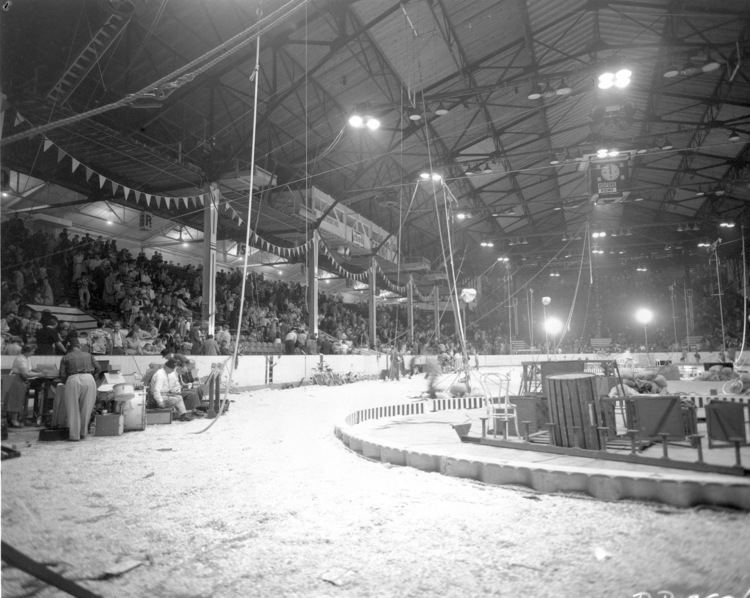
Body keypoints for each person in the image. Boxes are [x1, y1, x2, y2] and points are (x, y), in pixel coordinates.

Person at [58, 337, 101, 441]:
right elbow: (98, 368)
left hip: (72, 379)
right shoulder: (88, 355)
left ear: (69, 347)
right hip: (88, 378)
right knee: (87, 407)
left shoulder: (66, 357)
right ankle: (83, 433)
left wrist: (65, 382)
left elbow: (62, 374)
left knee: (73, 408)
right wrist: (93, 378)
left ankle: (74, 436)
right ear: (79, 346)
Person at [3, 345, 42, 427]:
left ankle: (21, 418)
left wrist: (38, 371)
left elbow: (30, 370)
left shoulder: (27, 358)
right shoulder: (20, 359)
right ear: (27, 351)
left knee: (21, 401)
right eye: (32, 351)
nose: (33, 353)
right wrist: (40, 374)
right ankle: (13, 420)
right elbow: (26, 374)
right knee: (15, 400)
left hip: (22, 381)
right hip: (16, 380)